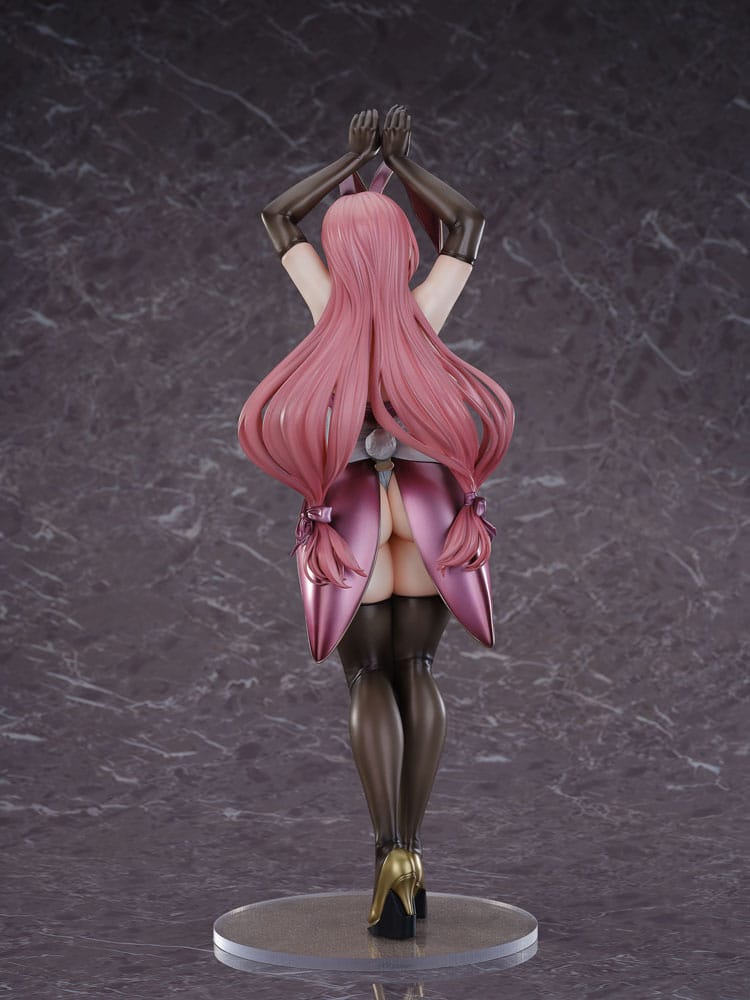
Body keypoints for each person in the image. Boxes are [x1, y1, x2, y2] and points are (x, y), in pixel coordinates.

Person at [238, 107, 514, 939]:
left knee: (366, 678)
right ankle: (415, 853)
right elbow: (467, 223)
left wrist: (348, 162)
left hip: (353, 503)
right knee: (417, 666)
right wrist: (402, 160)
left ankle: (388, 850)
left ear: (340, 254)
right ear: (401, 252)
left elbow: (277, 217)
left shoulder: (328, 307)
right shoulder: (424, 309)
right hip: (428, 503)